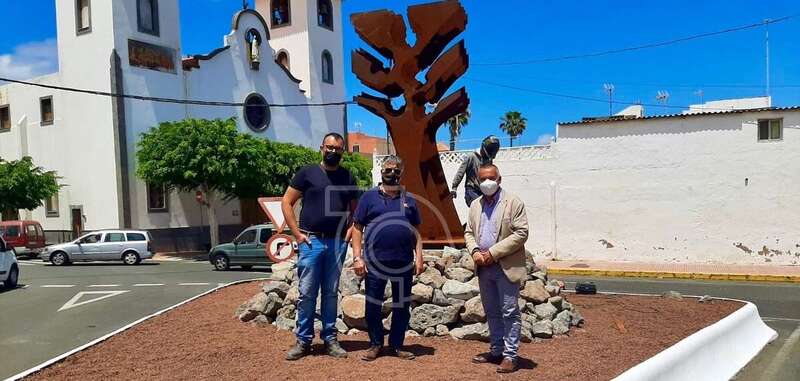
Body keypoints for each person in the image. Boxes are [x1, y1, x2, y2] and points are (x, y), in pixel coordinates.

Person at [281, 132, 358, 361]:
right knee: (307, 294)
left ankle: (330, 339)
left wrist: (349, 232)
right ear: (322, 148)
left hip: (337, 244)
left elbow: (355, 210)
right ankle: (303, 341)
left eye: (338, 149)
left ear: (343, 152)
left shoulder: (347, 177)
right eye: (329, 147)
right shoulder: (307, 173)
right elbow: (287, 201)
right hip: (310, 241)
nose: (333, 151)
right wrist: (296, 234)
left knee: (331, 294)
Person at [351, 155, 424, 361]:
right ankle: (375, 344)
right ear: (381, 171)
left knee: (402, 306)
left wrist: (419, 256)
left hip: (403, 262)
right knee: (373, 306)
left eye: (396, 171)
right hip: (374, 262)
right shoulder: (368, 197)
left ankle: (397, 345)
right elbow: (357, 228)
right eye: (388, 170)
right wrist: (357, 258)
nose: (392, 174)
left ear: (402, 173)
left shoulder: (409, 199)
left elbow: (416, 231)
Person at [463, 163, 529, 373]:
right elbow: (468, 232)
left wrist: (493, 253)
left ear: (499, 179)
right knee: (491, 311)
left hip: (505, 266)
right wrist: (475, 251)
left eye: (491, 178)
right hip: (484, 267)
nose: (487, 182)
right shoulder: (475, 204)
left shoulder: (513, 202)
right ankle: (496, 350)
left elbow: (521, 233)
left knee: (509, 312)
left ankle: (510, 356)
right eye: (483, 179)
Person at [451, 136, 501, 206]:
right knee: (479, 207)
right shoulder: (471, 157)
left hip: (483, 190)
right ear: (483, 148)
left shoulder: (488, 159)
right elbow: (460, 172)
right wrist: (454, 187)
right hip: (471, 190)